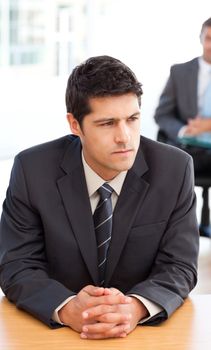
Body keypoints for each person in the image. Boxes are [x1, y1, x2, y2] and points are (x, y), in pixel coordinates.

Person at [0, 55, 199, 340]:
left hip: (140, 337)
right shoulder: (32, 170)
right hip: (56, 337)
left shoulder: (175, 169)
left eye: (132, 119)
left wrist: (136, 307)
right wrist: (68, 309)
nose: (125, 137)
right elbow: (17, 264)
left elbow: (180, 265)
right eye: (107, 123)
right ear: (75, 124)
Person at [154, 17, 211, 176]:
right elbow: (162, 114)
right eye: (208, 39)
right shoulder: (179, 72)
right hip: (188, 149)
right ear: (200, 38)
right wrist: (183, 130)